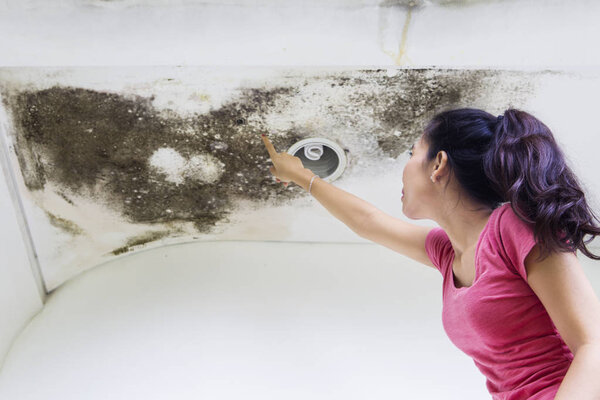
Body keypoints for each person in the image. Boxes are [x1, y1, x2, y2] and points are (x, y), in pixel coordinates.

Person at [261, 107, 600, 400]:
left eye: (412, 153)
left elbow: (593, 345)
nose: (404, 168)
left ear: (438, 163)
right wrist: (302, 177)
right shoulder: (447, 253)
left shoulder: (513, 226)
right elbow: (369, 222)